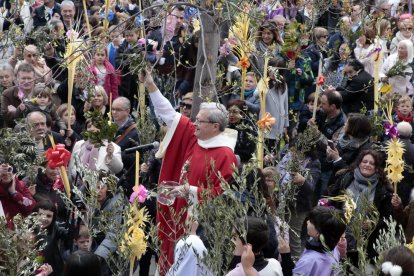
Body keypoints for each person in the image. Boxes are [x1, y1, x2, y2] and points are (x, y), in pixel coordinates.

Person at [140, 71, 238, 275]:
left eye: (199, 121)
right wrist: (151, 86)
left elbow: (223, 194)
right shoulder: (195, 136)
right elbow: (168, 113)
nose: (194, 123)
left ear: (215, 126)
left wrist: (190, 190)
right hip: (176, 213)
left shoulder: (225, 154)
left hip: (200, 224)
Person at [329, 150, 393, 261]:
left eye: (372, 163)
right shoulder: (346, 178)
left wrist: (373, 223)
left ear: (377, 168)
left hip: (363, 242)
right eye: (365, 161)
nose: (367, 165)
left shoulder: (383, 189)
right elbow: (332, 201)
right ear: (359, 163)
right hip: (339, 234)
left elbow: (388, 218)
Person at [292, 206, 346, 276]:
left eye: (311, 222)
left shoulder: (308, 261)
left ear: (318, 232)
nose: (307, 222)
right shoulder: (335, 250)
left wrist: (285, 256)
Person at [112, 96, 140, 196]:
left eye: (118, 110)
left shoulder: (135, 132)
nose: (114, 112)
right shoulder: (110, 127)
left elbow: (135, 157)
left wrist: (115, 154)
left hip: (125, 179)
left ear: (127, 111)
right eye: (113, 109)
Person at [0, 163, 36, 229]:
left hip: (24, 230)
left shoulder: (21, 185)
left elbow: (31, 207)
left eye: (9, 170)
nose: (5, 173)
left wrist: (14, 193)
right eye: (2, 171)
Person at [2, 63, 36, 127]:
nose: (26, 81)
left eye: (29, 78)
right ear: (17, 78)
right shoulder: (8, 94)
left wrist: (16, 111)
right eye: (23, 78)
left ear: (34, 78)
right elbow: (7, 118)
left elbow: (48, 114)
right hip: (15, 131)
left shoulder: (41, 91)